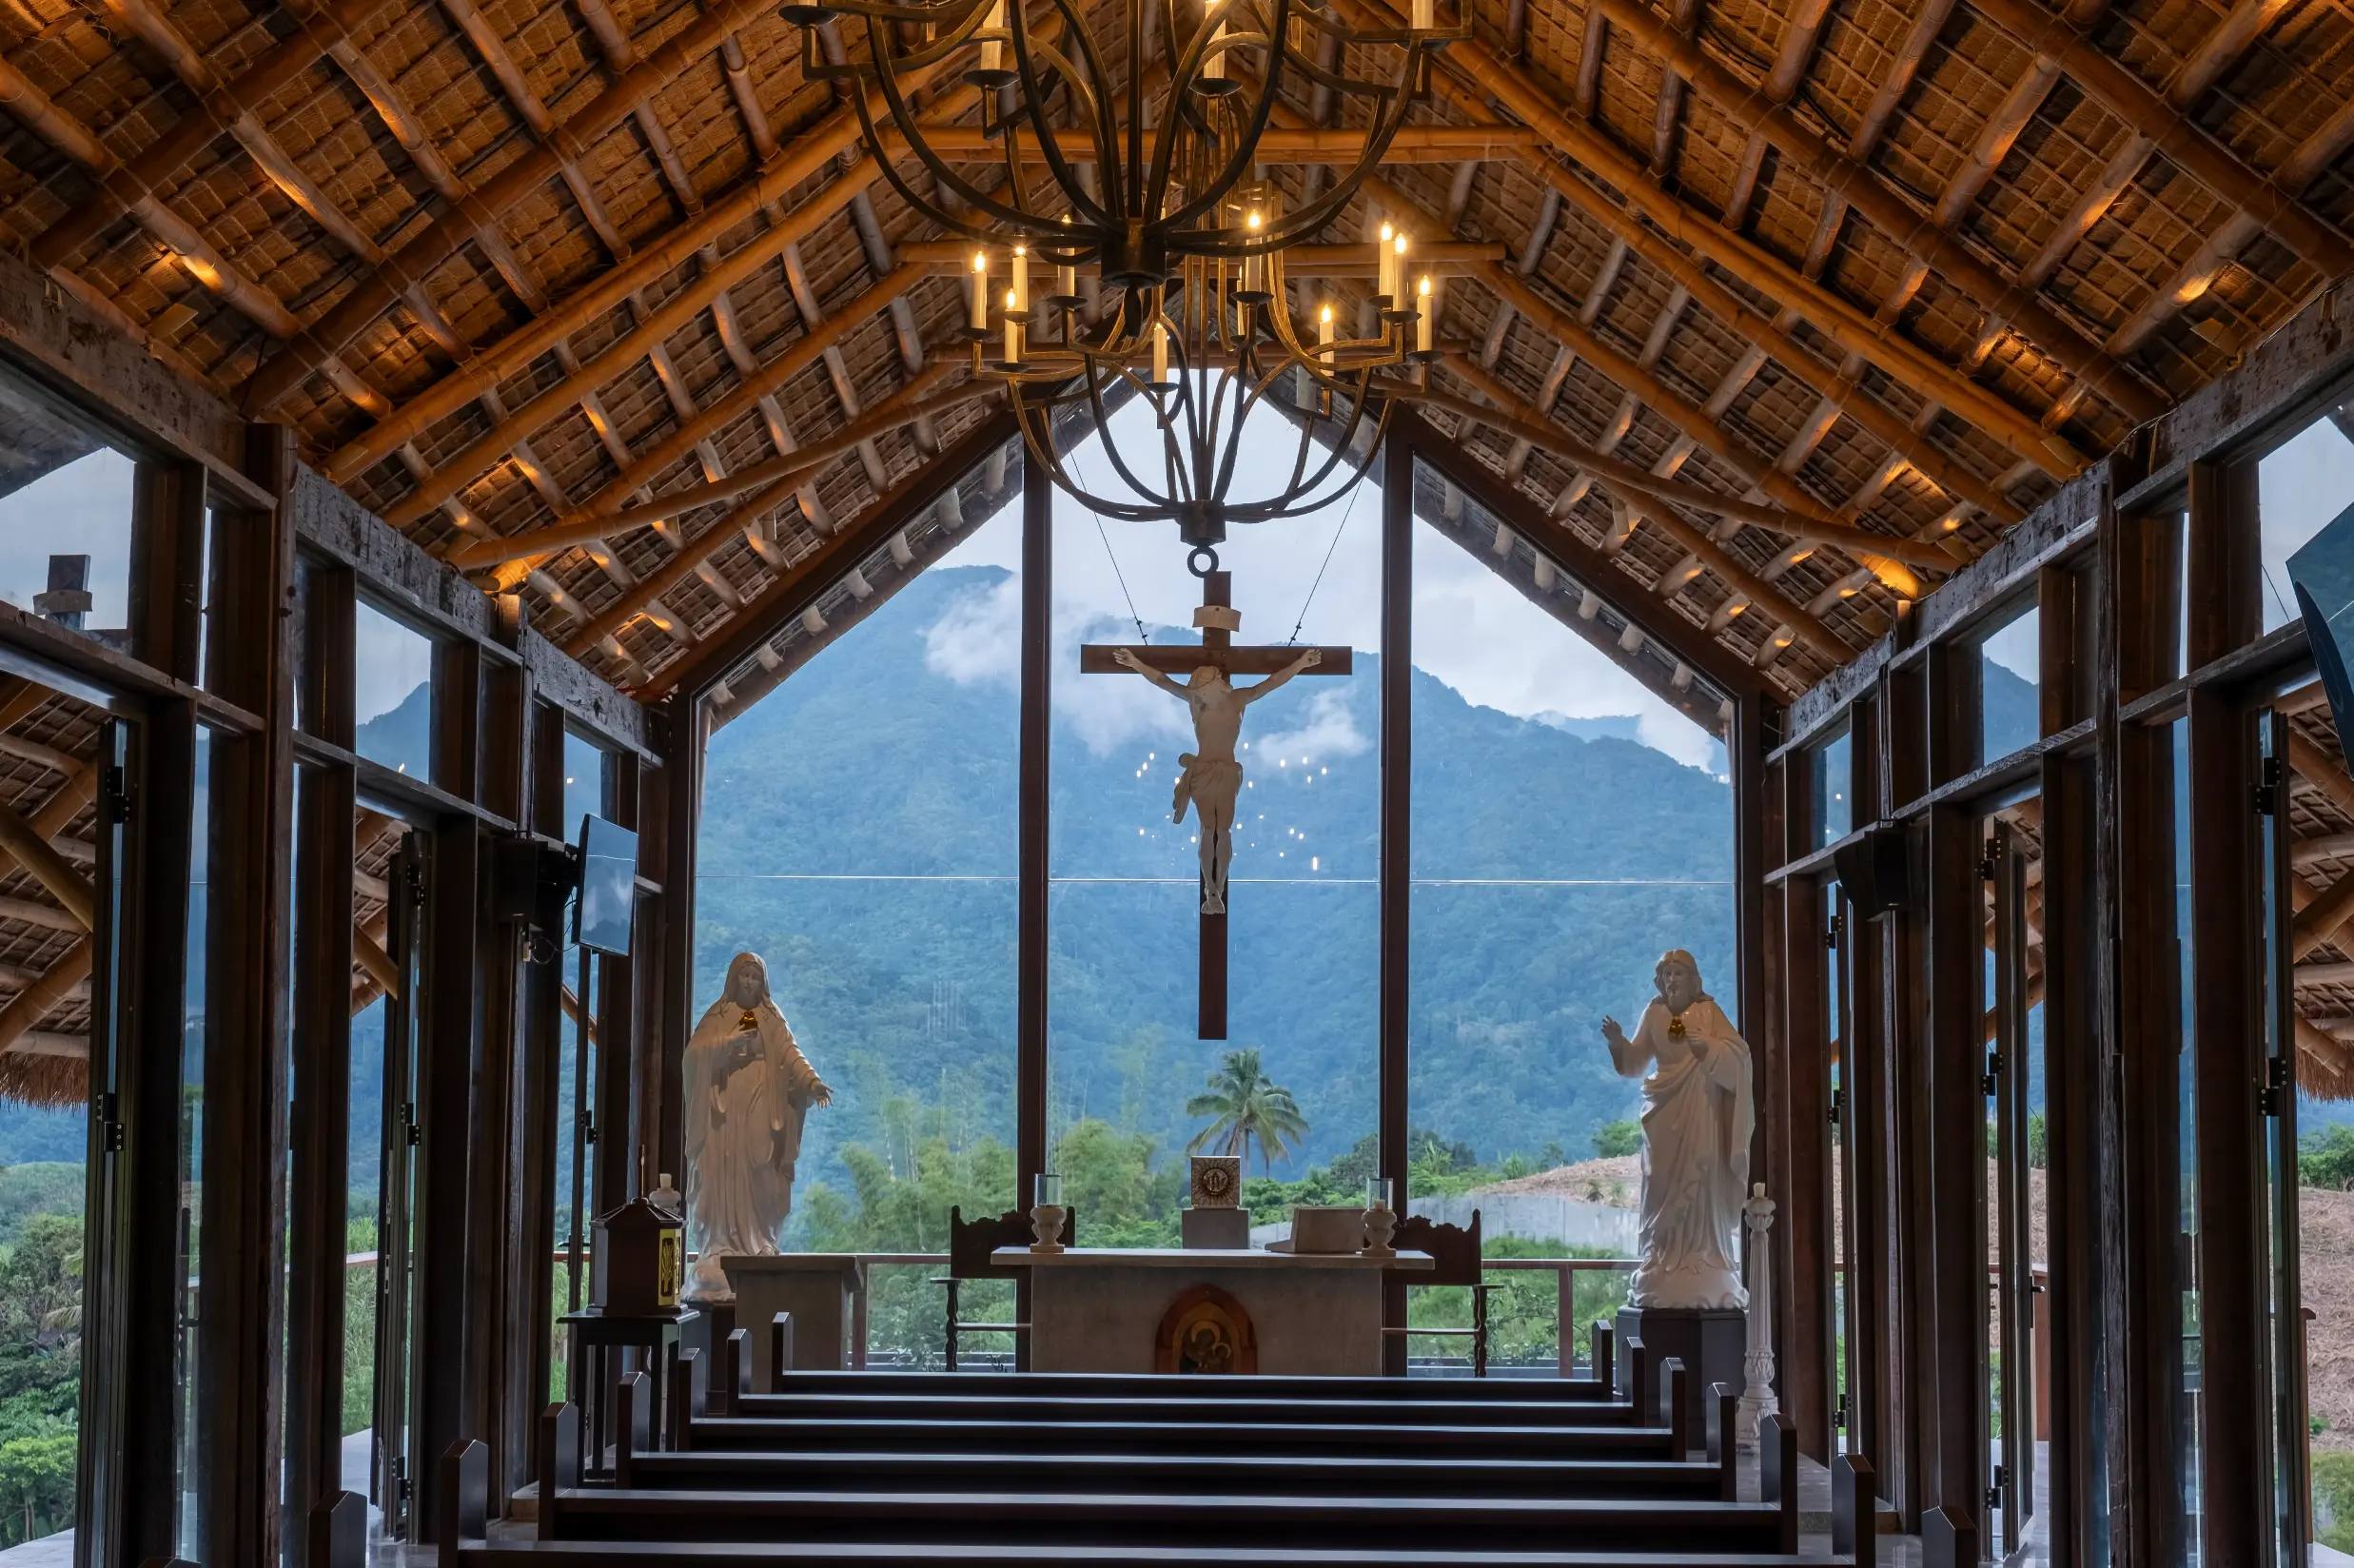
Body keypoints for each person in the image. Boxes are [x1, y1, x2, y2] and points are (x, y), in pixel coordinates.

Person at [1110, 646, 1322, 912]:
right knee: (1212, 830)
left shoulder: (1230, 700)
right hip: (1207, 772)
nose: (1222, 682)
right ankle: (1211, 889)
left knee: (1220, 830)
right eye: (1216, 679)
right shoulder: (1198, 701)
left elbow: (1272, 682)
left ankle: (1217, 889)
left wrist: (1301, 663)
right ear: (1207, 685)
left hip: (1223, 772)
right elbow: (1162, 681)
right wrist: (1136, 663)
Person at [1599, 950, 1754, 1310]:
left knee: (1702, 1183)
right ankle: (1662, 1256)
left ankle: (1704, 1256)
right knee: (1660, 1182)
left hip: (1703, 1109)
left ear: (1692, 979)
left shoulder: (1708, 1012)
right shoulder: (1654, 1013)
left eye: (1678, 974)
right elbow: (1636, 1062)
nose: (1671, 981)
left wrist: (1711, 1049)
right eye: (1666, 974)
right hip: (1663, 1113)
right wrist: (1617, 1043)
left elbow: (1741, 1057)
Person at [680, 951, 832, 1301]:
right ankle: (719, 1246)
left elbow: (792, 1054)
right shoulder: (718, 1017)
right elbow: (693, 1057)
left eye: (755, 978)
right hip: (723, 1112)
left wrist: (812, 1083)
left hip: (762, 1106)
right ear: (733, 980)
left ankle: (759, 1240)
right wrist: (727, 1047)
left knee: (760, 1168)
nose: (749, 982)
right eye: (744, 976)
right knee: (723, 1171)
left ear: (763, 983)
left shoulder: (771, 1017)